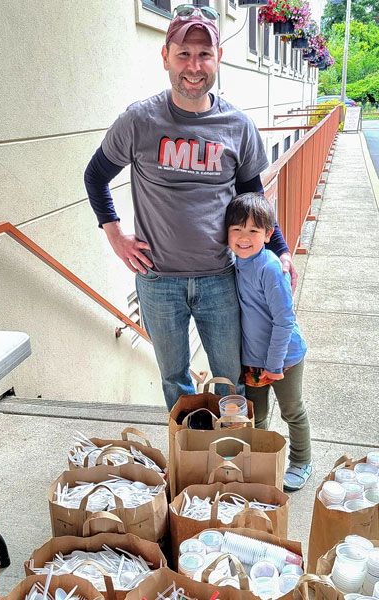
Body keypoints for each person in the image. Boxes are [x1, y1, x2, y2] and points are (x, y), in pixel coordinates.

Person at [84, 5, 297, 411]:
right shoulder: (138, 121)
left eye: (204, 54)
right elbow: (95, 176)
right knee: (174, 379)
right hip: (158, 281)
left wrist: (280, 250)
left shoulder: (237, 125)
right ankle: (190, 464)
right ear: (165, 56)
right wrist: (115, 235)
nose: (194, 66)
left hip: (220, 277)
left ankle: (230, 466)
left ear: (218, 59)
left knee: (230, 380)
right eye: (184, 53)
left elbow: (253, 198)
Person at [225, 192, 312, 491]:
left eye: (253, 230)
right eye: (236, 229)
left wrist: (274, 365)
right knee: (256, 416)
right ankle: (261, 461)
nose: (244, 237)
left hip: (284, 358)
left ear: (268, 234)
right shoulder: (235, 263)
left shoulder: (270, 267)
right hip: (253, 360)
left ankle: (302, 461)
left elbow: (284, 319)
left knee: (292, 411)